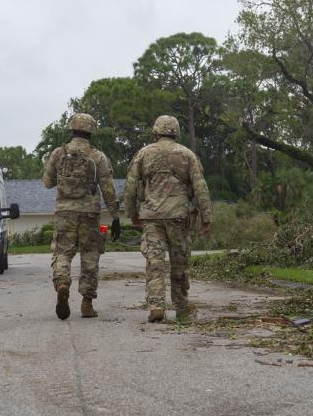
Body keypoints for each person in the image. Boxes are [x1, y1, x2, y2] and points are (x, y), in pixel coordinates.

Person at [124, 115, 212, 323]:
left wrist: (132, 213)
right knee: (179, 262)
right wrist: (206, 216)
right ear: (176, 132)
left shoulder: (143, 154)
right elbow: (200, 186)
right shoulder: (187, 155)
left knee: (155, 262)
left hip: (152, 217)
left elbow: (130, 186)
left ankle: (156, 306)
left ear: (156, 131)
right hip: (179, 217)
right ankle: (181, 308)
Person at [43, 113, 121, 320]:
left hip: (64, 212)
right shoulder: (98, 157)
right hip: (89, 213)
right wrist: (115, 216)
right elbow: (108, 189)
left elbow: (47, 182)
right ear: (91, 132)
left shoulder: (58, 154)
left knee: (62, 252)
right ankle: (87, 304)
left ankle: (61, 282)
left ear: (71, 129)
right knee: (90, 255)